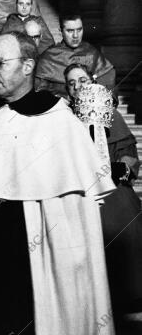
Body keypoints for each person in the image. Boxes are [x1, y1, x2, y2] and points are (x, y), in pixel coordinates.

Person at [0, 32, 115, 335]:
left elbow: (76, 216)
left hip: (39, 258)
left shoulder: (60, 122)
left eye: (0, 63)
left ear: (27, 66)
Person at [64, 63, 142, 317]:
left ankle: (129, 294)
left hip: (113, 185)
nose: (78, 87)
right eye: (72, 83)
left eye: (82, 81)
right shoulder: (63, 119)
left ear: (92, 82)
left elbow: (129, 153)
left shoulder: (113, 115)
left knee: (126, 213)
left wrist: (124, 167)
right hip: (80, 189)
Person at [35, 14, 116, 96]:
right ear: (61, 31)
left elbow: (108, 88)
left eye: (79, 30)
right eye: (70, 31)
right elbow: (40, 93)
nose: (75, 36)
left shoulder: (92, 53)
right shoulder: (48, 57)